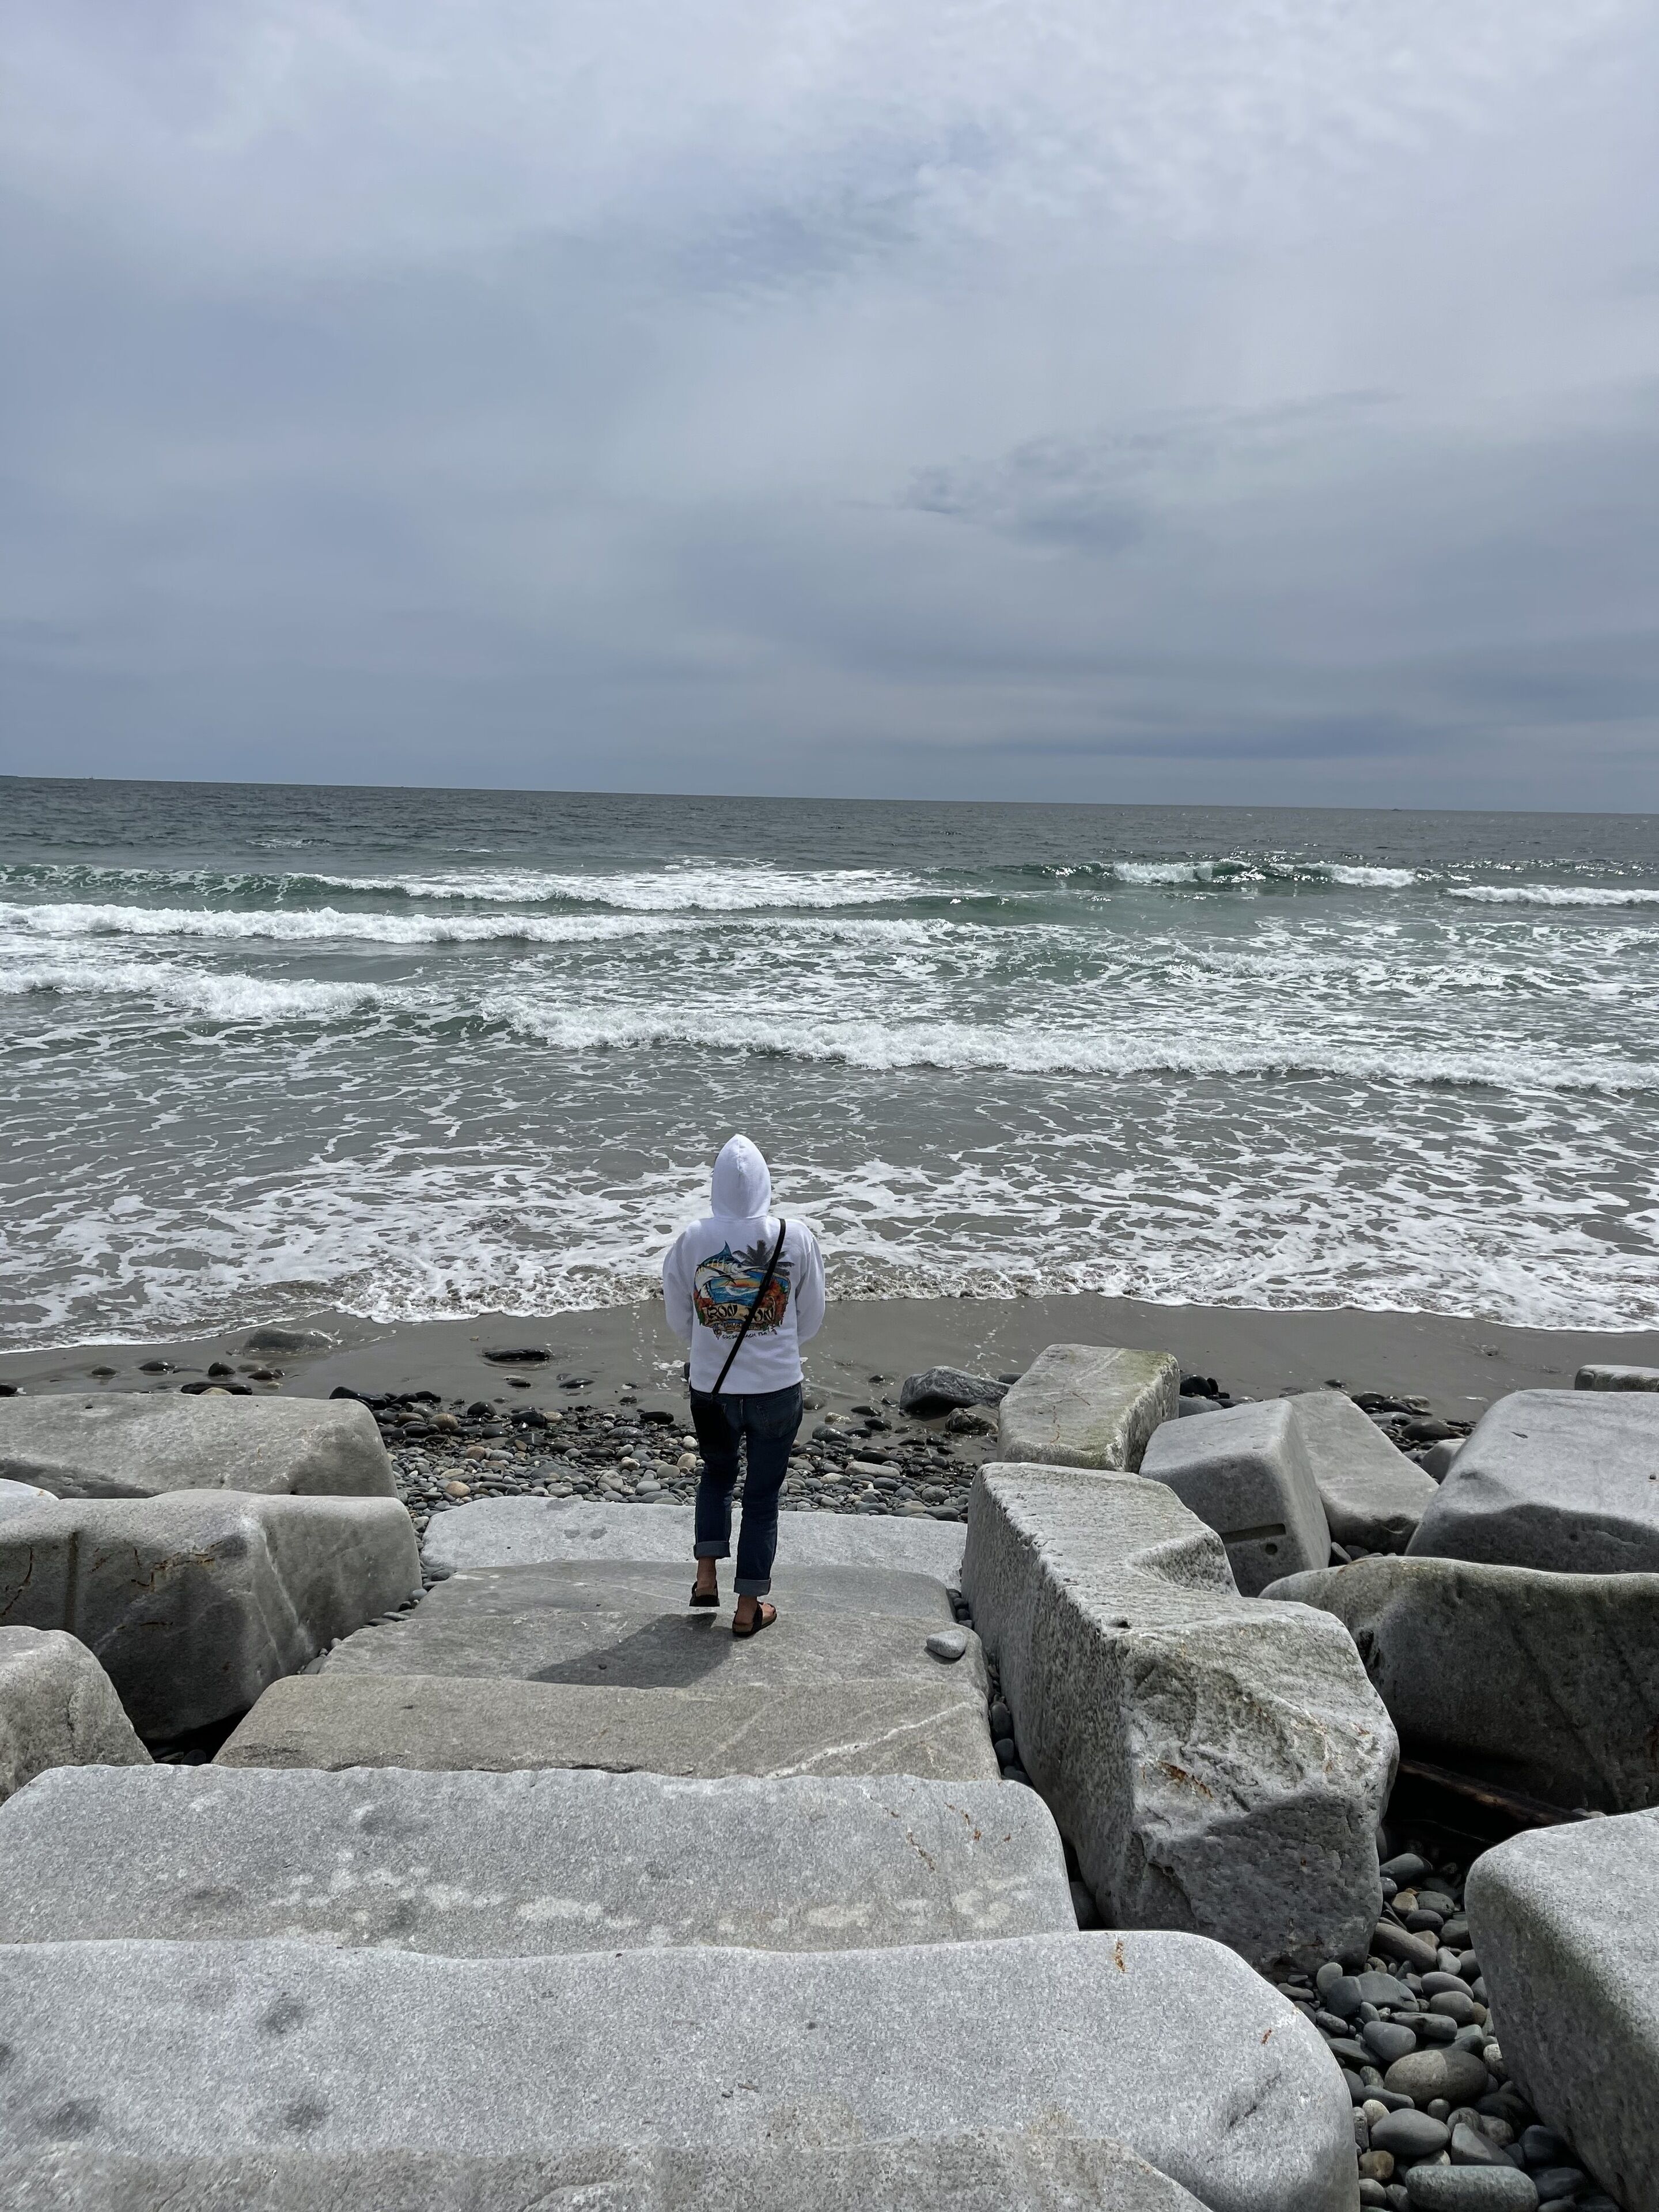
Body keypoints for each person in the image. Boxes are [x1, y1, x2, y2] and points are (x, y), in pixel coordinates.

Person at [662, 1134, 825, 1636]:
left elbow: (678, 1320)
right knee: (761, 1497)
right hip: (777, 1389)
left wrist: (716, 1339)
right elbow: (811, 1319)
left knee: (715, 1475)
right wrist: (767, 1338)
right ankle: (748, 1608)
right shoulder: (795, 1235)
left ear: (715, 1185)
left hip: (712, 1388)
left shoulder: (691, 1238)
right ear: (765, 1183)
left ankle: (705, 1578)